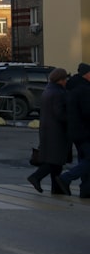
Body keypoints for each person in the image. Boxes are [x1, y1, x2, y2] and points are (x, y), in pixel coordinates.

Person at [27, 67, 69, 194]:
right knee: (54, 160)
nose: (66, 81)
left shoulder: (48, 90)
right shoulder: (58, 93)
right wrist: (71, 118)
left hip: (47, 129)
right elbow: (59, 113)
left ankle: (56, 189)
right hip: (57, 132)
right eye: (65, 79)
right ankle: (36, 177)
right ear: (60, 80)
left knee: (56, 161)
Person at [55, 63, 90, 198]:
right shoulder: (84, 89)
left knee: (84, 160)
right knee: (88, 161)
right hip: (85, 132)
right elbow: (87, 112)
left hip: (76, 132)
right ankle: (66, 178)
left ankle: (86, 190)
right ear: (86, 74)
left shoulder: (72, 87)